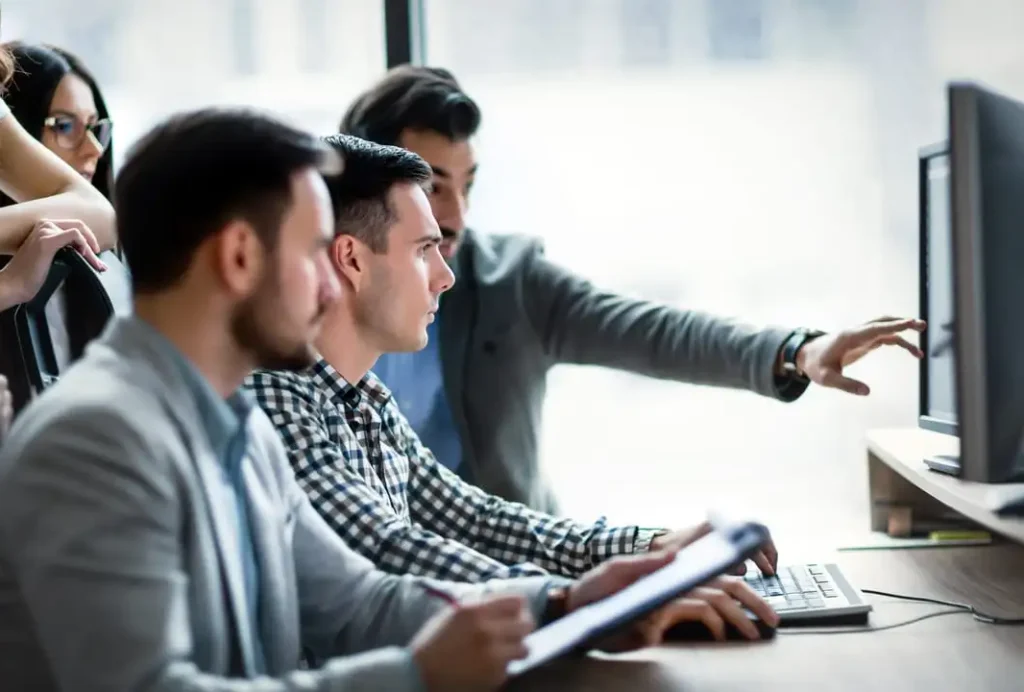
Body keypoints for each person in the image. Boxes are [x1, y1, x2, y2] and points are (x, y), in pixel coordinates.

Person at [0, 108, 756, 692]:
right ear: (237, 258)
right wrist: (416, 677)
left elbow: (361, 602)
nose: (333, 285)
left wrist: (564, 607)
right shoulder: (96, 440)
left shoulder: (231, 428)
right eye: (312, 254)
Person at [249, 133, 779, 641]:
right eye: (422, 251)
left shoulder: (363, 399)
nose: (444, 276)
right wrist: (580, 601)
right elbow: (387, 551)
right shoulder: (277, 401)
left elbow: (476, 521)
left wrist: (653, 548)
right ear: (353, 259)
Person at [340, 65, 926, 513]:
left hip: (514, 580)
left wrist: (797, 351)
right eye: (432, 188)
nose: (457, 217)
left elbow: (654, 332)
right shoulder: (313, 317)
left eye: (467, 186)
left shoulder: (510, 282)